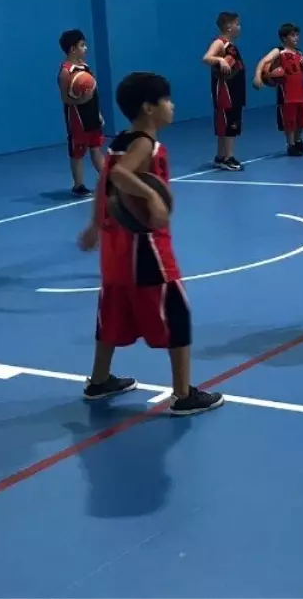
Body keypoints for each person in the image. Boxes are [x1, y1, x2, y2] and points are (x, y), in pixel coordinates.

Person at [76, 71, 224, 416]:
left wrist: (96, 224)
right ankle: (183, 395)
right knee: (177, 313)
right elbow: (119, 175)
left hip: (115, 248)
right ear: (149, 108)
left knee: (112, 312)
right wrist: (151, 197)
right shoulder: (145, 144)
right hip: (146, 249)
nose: (172, 106)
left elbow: (104, 181)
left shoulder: (119, 141)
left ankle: (99, 380)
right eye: (167, 100)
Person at [58, 29, 105, 196]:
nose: (86, 48)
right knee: (78, 153)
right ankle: (78, 186)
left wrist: (98, 113)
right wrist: (81, 101)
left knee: (96, 148)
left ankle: (108, 180)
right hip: (77, 118)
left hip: (92, 116)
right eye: (82, 45)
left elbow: (94, 94)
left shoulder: (85, 67)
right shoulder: (65, 72)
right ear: (72, 49)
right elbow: (65, 98)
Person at [253, 22, 303, 157]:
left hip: (301, 92)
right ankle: (291, 145)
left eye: (297, 35)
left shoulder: (299, 53)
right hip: (287, 94)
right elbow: (263, 62)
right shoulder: (279, 51)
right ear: (284, 38)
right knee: (289, 121)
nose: (296, 38)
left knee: (302, 120)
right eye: (293, 35)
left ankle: (298, 140)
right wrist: (258, 76)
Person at [202, 12, 246, 171]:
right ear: (228, 26)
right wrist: (220, 59)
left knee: (229, 122)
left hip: (235, 89)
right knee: (229, 123)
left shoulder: (231, 45)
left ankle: (221, 156)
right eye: (237, 24)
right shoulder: (220, 43)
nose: (239, 27)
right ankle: (228, 157)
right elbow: (206, 58)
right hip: (225, 91)